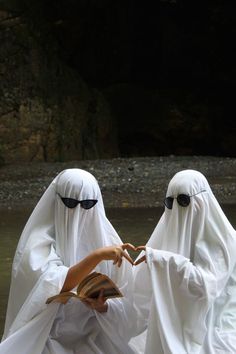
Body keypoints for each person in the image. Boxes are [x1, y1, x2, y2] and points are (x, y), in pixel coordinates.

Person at [0, 168, 139, 354]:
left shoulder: (110, 242)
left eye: (88, 204)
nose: (79, 211)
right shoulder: (36, 244)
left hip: (94, 335)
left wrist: (103, 306)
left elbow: (129, 308)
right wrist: (96, 256)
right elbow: (53, 284)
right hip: (46, 336)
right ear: (57, 200)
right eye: (70, 203)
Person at [133, 169, 236, 354]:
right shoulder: (168, 230)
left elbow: (206, 286)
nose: (177, 209)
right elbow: (138, 289)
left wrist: (163, 260)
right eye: (169, 202)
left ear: (201, 200)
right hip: (175, 316)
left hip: (216, 318)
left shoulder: (225, 240)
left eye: (183, 201)